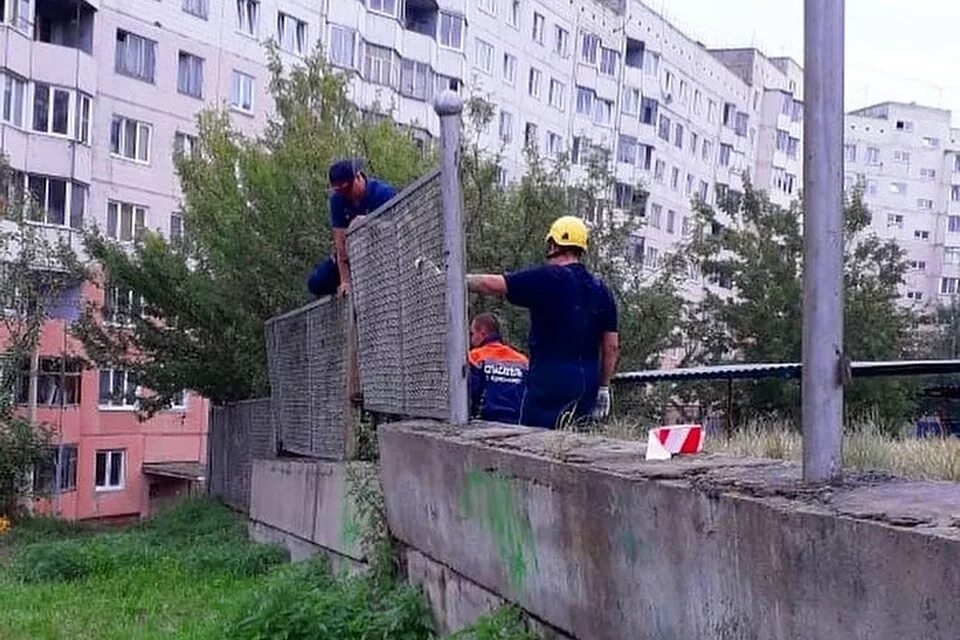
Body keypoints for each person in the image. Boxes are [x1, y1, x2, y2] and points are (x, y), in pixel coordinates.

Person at [466, 216, 619, 429]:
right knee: (575, 449)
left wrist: (455, 279)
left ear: (553, 245)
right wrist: (603, 387)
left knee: (535, 448)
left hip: (548, 386)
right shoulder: (603, 291)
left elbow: (491, 284)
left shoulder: (547, 277)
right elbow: (611, 347)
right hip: (586, 388)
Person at [307, 159, 398, 298]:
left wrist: (370, 223)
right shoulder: (338, 200)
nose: (345, 194)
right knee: (316, 282)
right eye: (339, 191)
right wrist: (344, 281)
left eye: (347, 189)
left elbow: (398, 228)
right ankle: (348, 292)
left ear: (358, 176)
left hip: (382, 255)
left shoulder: (383, 193)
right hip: (352, 256)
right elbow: (340, 241)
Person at [468, 312, 528, 424]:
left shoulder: (475, 357)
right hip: (516, 423)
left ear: (482, 333)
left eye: (472, 333)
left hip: (483, 422)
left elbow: (470, 392)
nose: (471, 338)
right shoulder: (522, 360)